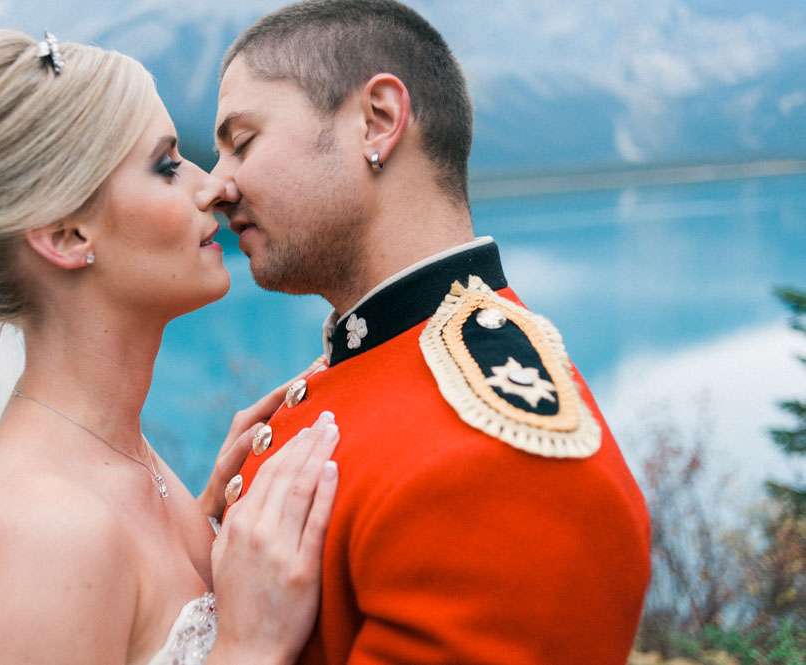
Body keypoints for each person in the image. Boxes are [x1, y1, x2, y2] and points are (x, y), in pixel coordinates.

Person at [0, 30, 341, 665]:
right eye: (166, 165)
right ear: (65, 236)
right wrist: (252, 644)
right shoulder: (27, 535)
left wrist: (209, 526)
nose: (214, 188)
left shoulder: (120, 463)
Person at [211, 1, 651, 663]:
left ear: (378, 120)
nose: (217, 186)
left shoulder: (501, 467)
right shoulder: (376, 366)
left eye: (242, 142)